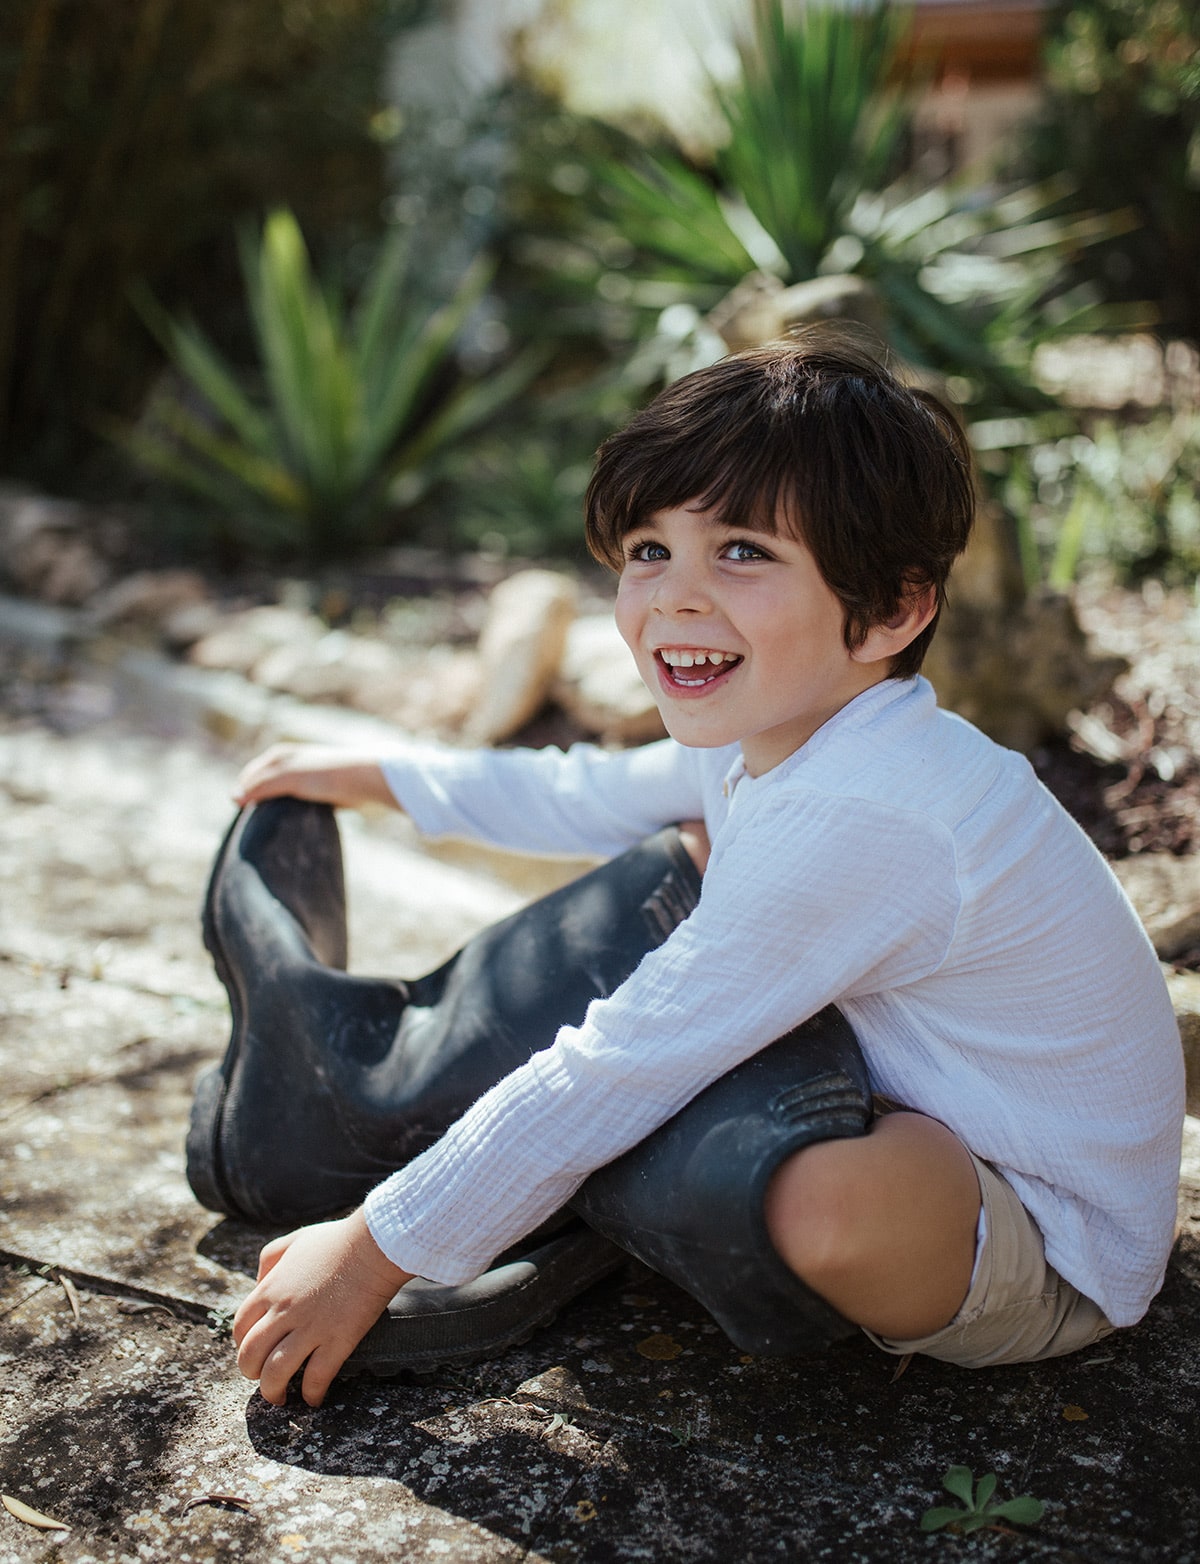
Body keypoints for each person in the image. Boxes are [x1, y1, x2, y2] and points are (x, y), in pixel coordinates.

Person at [196, 329, 1184, 1410]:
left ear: (895, 609)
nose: (672, 596)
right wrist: (384, 774)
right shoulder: (779, 727)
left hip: (1047, 1235)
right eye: (648, 550)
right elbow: (583, 792)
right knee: (681, 879)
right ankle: (451, 1133)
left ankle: (550, 1194)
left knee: (813, 1199)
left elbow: (622, 1059)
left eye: (744, 553)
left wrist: (369, 1255)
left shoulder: (874, 808)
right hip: (901, 1092)